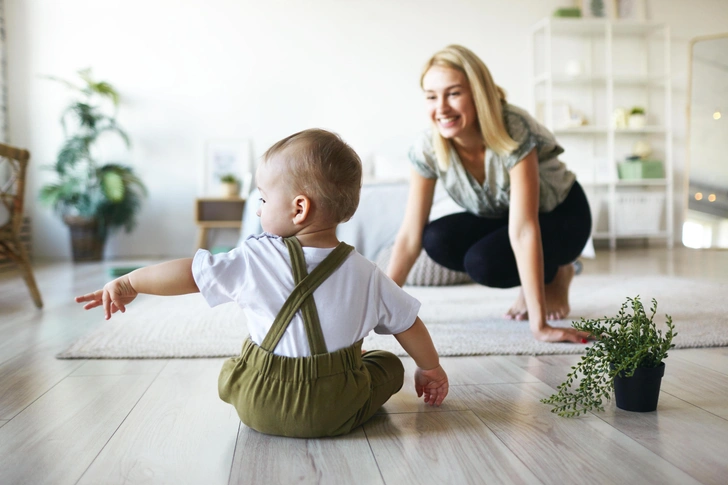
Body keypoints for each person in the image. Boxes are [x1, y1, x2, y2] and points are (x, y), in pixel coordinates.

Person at [75, 129, 449, 438]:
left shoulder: (252, 257)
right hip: (335, 411)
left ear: (299, 209)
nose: (257, 208)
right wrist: (430, 370)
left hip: (258, 402)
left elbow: (190, 272)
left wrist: (131, 282)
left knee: (241, 361)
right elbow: (409, 324)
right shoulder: (368, 272)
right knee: (388, 365)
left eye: (264, 198)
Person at [387, 45, 592, 344]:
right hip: (504, 215)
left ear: (478, 93)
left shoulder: (512, 128)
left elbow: (523, 229)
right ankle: (547, 274)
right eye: (432, 96)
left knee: (485, 262)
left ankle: (559, 273)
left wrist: (541, 325)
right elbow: (409, 237)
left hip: (562, 214)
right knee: (436, 238)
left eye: (454, 93)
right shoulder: (428, 147)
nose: (441, 108)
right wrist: (376, 315)